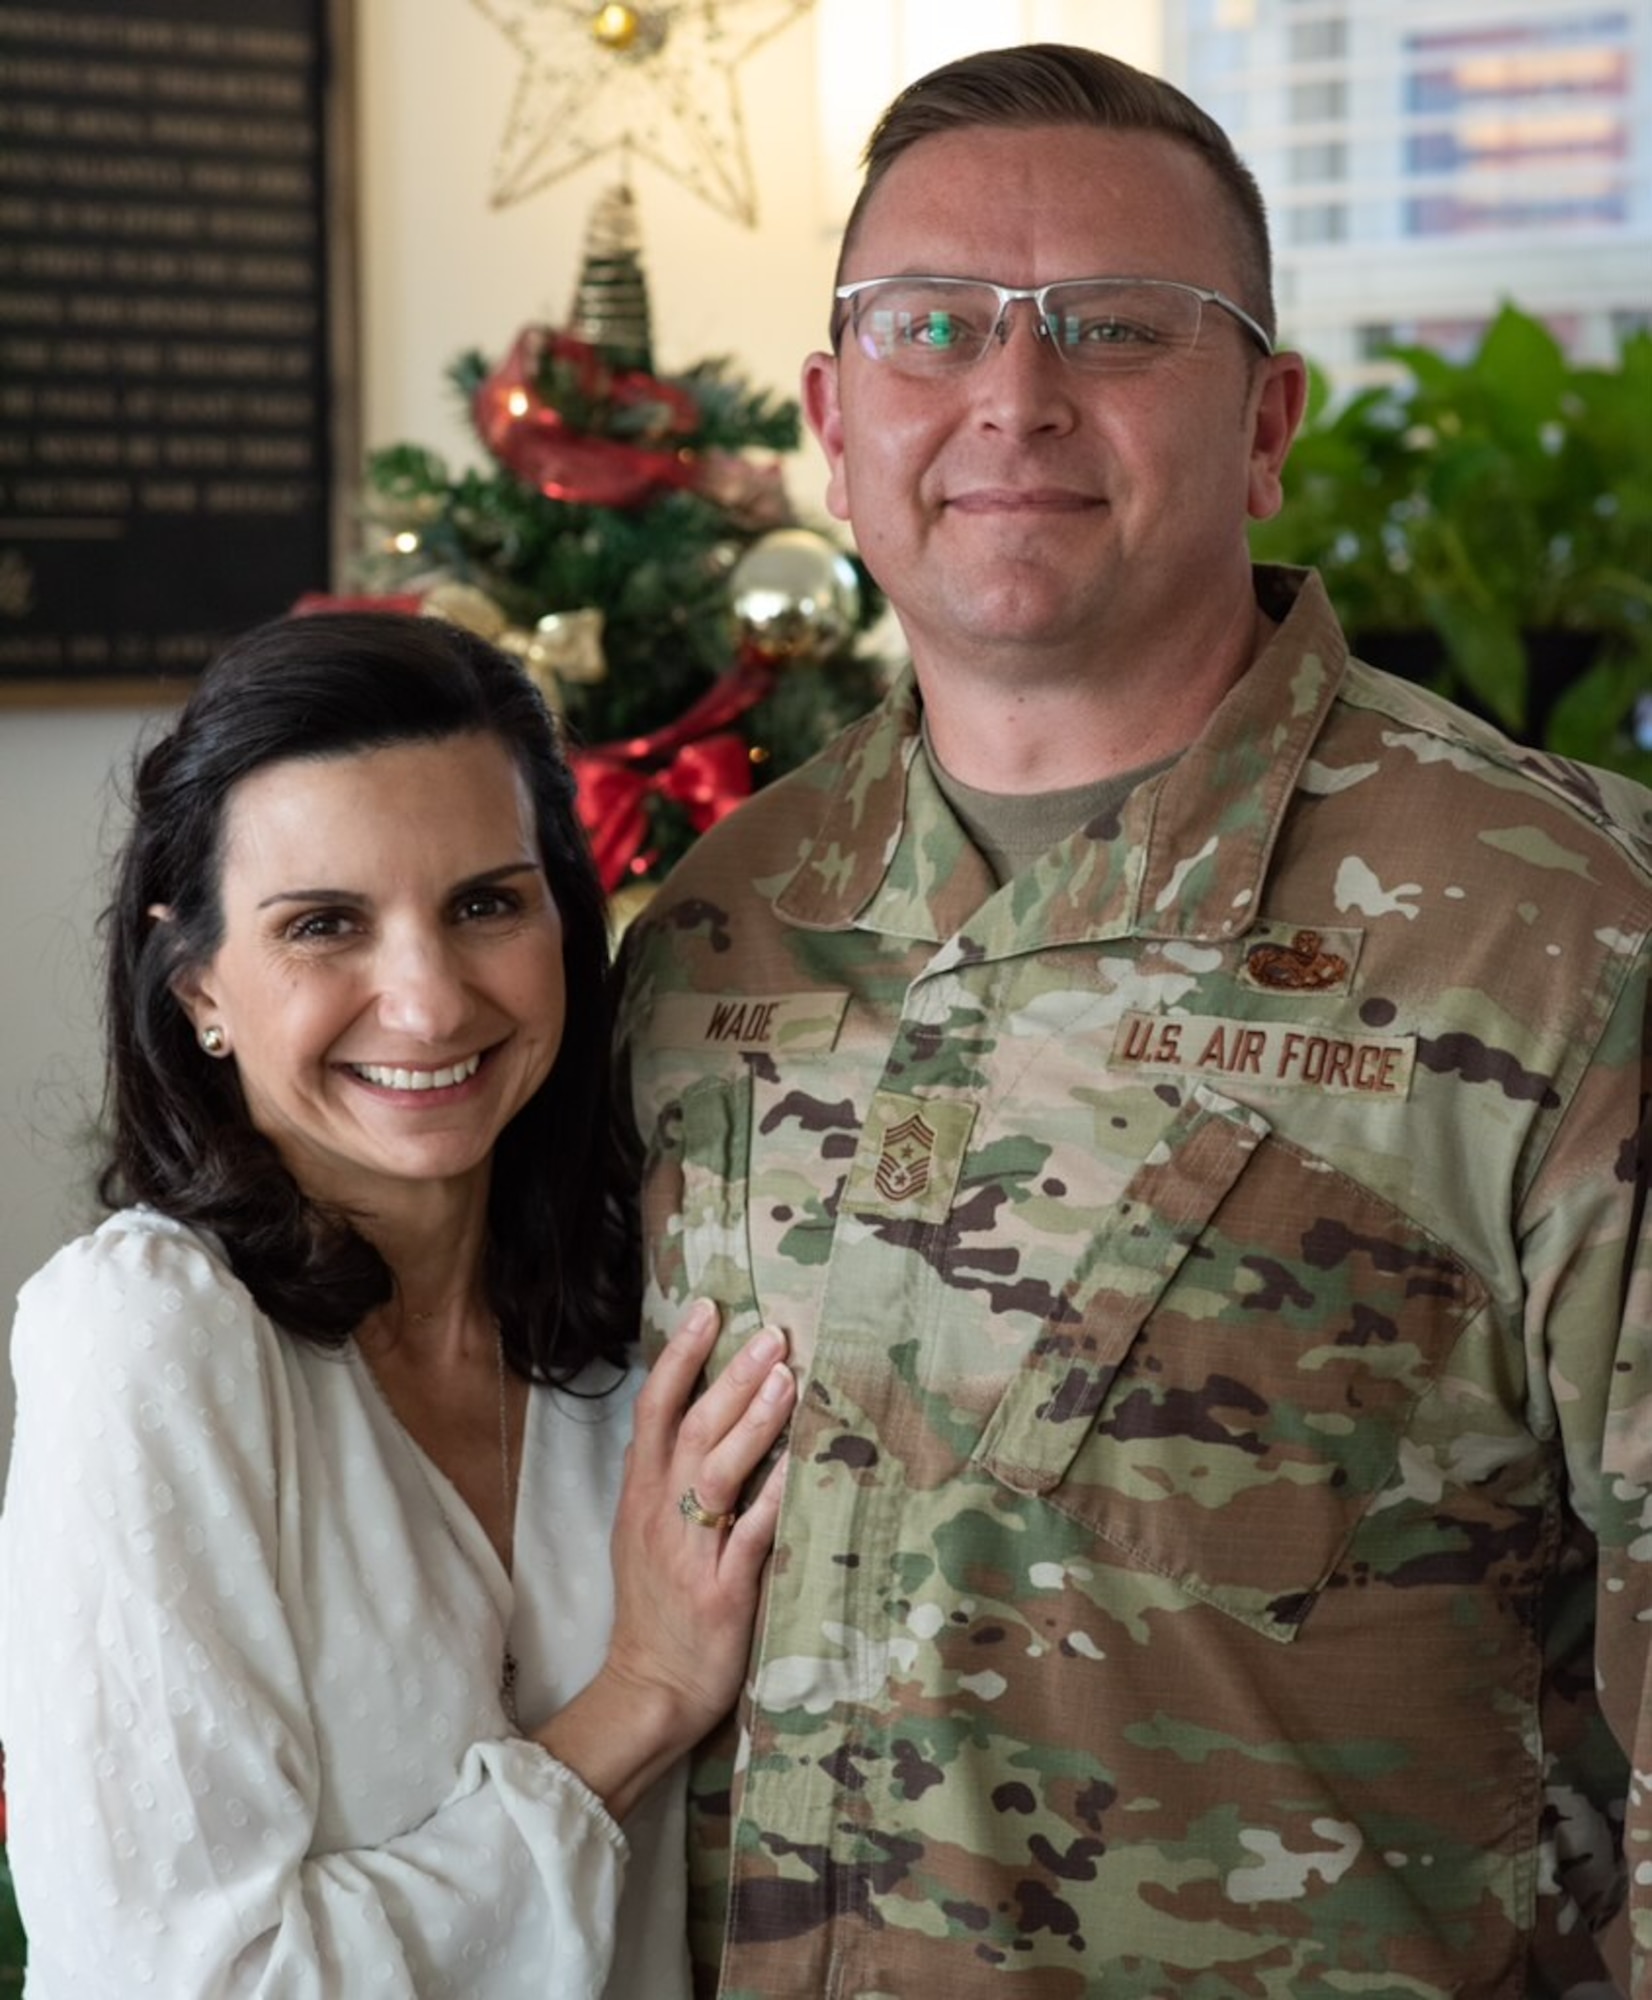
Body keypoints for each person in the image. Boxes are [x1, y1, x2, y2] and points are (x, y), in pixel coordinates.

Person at [615, 41, 1652, 2000]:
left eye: (1112, 324)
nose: (1013, 391)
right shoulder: (714, 930)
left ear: (1263, 424)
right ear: (836, 422)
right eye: (933, 326)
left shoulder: (1563, 934)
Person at [0, 609, 797, 1998]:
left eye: (486, 903)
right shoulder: (145, 1339)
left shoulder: (645, 1307)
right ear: (198, 985)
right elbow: (194, 1984)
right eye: (325, 925)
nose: (428, 1004)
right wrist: (637, 1705)